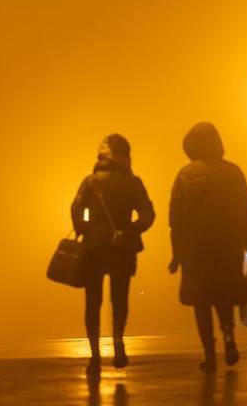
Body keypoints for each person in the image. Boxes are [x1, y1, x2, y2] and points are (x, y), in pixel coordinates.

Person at [168, 122, 247, 372]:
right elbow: (246, 214)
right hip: (228, 245)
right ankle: (229, 334)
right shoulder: (233, 172)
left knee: (201, 302)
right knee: (225, 296)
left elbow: (175, 218)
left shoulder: (185, 175)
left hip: (195, 248)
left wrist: (176, 254)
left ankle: (209, 353)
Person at [71, 133, 155, 374]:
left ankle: (94, 355)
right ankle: (118, 343)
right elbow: (148, 215)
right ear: (124, 157)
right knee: (120, 300)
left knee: (92, 302)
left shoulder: (90, 182)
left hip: (94, 248)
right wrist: (130, 230)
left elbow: (76, 209)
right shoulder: (134, 183)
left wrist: (85, 229)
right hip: (123, 248)